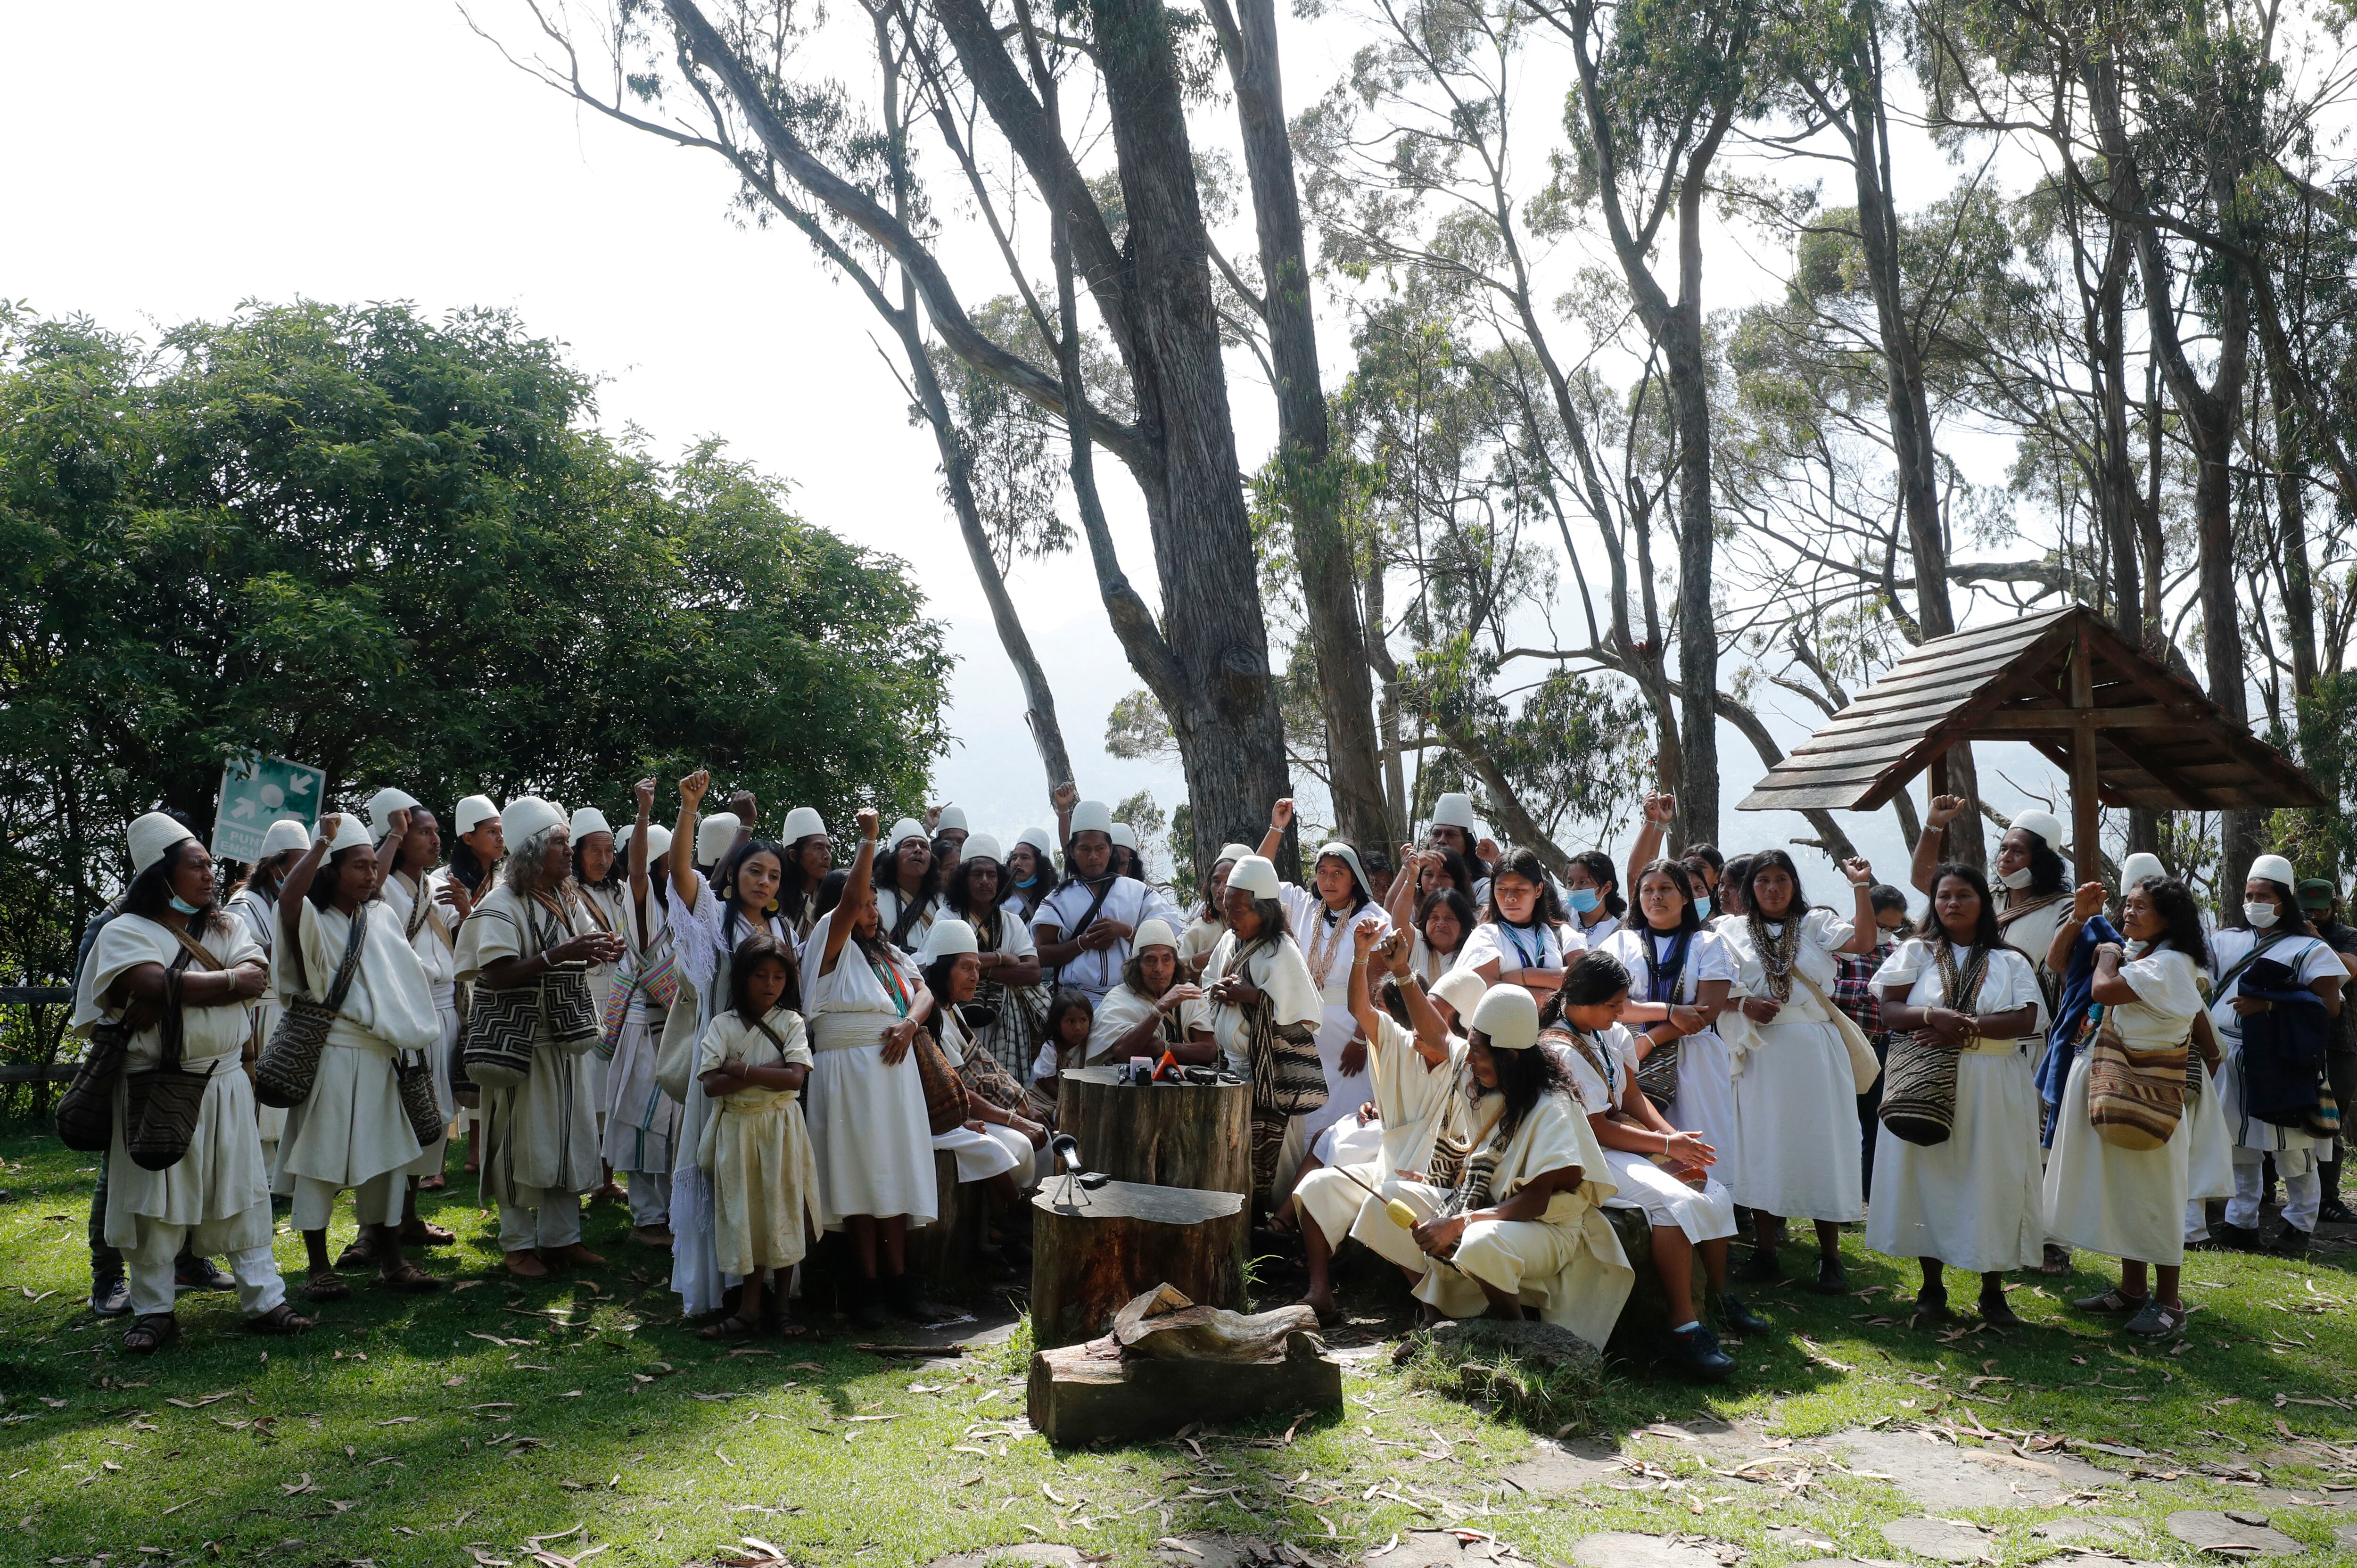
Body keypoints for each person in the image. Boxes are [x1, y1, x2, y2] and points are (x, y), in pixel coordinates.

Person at [74, 812, 310, 1352]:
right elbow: (145, 978)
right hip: (152, 1084)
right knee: (152, 1198)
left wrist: (185, 986)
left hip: (225, 1080)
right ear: (161, 874)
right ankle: (154, 1309)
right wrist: (220, 982)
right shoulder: (124, 930)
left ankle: (265, 1298)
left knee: (242, 1193)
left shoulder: (229, 923)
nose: (210, 874)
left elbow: (256, 975)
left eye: (209, 863)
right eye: (196, 865)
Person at [1355, 987, 1632, 1341]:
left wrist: (1458, 1223)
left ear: (1511, 1056)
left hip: (1548, 1228)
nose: (1468, 1059)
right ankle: (1437, 1321)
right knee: (1387, 1200)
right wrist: (1405, 975)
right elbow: (1439, 1034)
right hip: (1483, 1209)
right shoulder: (1485, 1075)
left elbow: (1536, 1202)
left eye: (1476, 1050)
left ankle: (1515, 1335)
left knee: (1480, 1240)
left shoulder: (1553, 1107)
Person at [1545, 950, 1755, 1379]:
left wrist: (1675, 1144)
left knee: (1709, 1188)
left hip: (1617, 1142)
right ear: (1582, 999)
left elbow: (1631, 1096)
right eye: (1613, 1005)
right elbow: (1597, 1127)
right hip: (1583, 1154)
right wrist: (1665, 1144)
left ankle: (1717, 1297)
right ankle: (1683, 1327)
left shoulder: (1606, 1032)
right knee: (1672, 1202)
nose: (1621, 1013)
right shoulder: (1557, 1048)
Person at [1866, 864, 2048, 1327]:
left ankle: (1992, 1290)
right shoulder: (1916, 951)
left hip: (1994, 1079)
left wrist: (1960, 1029)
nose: (1952, 903)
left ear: (1981, 902)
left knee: (1992, 1176)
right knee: (1929, 1174)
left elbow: (2027, 1019)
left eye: (1963, 895)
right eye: (1943, 895)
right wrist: (1932, 1014)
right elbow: (1889, 1009)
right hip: (1925, 1079)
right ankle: (1931, 1287)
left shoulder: (2010, 960)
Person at [272, 811, 445, 1299]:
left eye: (374, 866)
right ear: (331, 870)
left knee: (389, 1163)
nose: (372, 875)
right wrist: (322, 842)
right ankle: (318, 1267)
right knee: (320, 1162)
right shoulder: (313, 919)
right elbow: (290, 899)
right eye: (360, 866)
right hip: (332, 1055)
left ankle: (392, 1261)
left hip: (382, 1056)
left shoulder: (381, 915)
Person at [456, 796, 624, 1279]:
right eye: (559, 843)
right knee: (516, 1143)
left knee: (568, 1140)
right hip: (520, 1045)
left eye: (568, 842)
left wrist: (599, 948)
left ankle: (561, 1238)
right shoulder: (499, 905)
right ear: (532, 850)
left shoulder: (568, 898)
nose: (568, 852)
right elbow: (496, 971)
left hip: (567, 1038)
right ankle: (516, 1243)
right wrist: (563, 953)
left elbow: (583, 949)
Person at [803, 807, 954, 1325]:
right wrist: (870, 841)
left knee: (892, 1177)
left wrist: (910, 1024)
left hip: (894, 1072)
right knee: (858, 1180)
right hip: (846, 1072)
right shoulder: (828, 945)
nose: (869, 911)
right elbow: (846, 901)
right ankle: (865, 1288)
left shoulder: (887, 954)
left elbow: (924, 991)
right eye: (862, 903)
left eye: (873, 904)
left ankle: (901, 1282)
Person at [2043, 872, 2209, 1336]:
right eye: (2127, 905)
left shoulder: (2170, 962)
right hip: (2124, 1083)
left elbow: (2104, 990)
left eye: (2139, 907)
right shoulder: (2150, 955)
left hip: (2152, 1090)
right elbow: (2058, 964)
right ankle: (2133, 1288)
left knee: (2156, 1194)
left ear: (2168, 918)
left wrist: (2110, 955)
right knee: (2127, 1189)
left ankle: (2168, 1301)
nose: (2127, 913)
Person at [1717, 848, 1882, 1293]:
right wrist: (1743, 1003)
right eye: (1763, 881)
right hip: (1761, 1054)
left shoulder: (1815, 925)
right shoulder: (1727, 932)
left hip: (1815, 1049)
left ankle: (1831, 1260)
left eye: (1782, 880)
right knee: (1765, 1147)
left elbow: (1865, 942)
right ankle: (1767, 1254)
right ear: (1750, 888)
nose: (1773, 889)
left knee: (1821, 1145)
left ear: (1795, 885)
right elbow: (1708, 985)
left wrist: (1860, 886)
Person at [1286, 922, 1464, 1323]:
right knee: (1315, 1185)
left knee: (1391, 1200)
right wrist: (1361, 955)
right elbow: (1359, 1011)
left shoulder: (1464, 1059)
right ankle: (1320, 1292)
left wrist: (1402, 971)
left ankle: (1432, 1313)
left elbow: (1438, 1038)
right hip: (1387, 1164)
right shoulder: (1399, 1043)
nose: (1422, 1031)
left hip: (1440, 1177)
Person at [664, 775, 794, 1312]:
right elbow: (678, 873)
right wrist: (688, 810)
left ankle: (761, 1287)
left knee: (763, 1172)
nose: (763, 882)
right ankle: (714, 1289)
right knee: (717, 1162)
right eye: (754, 871)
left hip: (768, 1062)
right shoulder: (714, 922)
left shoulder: (783, 930)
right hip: (719, 1056)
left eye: (772, 875)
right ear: (735, 874)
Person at [1253, 801, 1393, 1205]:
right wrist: (1277, 828)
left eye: (1339, 873)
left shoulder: (1374, 918)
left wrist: (1361, 1038)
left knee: (1343, 1120)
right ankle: (1289, 1205)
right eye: (1323, 872)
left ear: (1355, 880)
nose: (1329, 880)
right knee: (1303, 1118)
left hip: (1349, 1036)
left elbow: (1380, 983)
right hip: (1305, 1031)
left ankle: (1331, 1204)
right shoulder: (1305, 907)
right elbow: (1257, 876)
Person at [2205, 854, 2346, 1255]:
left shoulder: (2307, 948)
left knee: (2293, 1147)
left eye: (2264, 895)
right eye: (2250, 894)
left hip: (2281, 1058)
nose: (2255, 902)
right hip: (2229, 1053)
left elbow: (2328, 1005)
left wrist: (2269, 1005)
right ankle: (2240, 1223)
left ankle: (2299, 1226)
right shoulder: (2224, 940)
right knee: (2239, 1145)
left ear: (2283, 900)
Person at [692, 930, 821, 1341]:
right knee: (746, 1212)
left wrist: (741, 1070)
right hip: (738, 1130)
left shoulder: (791, 1022)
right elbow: (710, 1085)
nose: (770, 985)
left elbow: (796, 1078)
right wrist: (772, 1073)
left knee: (782, 1208)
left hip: (781, 1128)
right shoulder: (723, 1025)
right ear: (743, 977)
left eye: (779, 978)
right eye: (761, 975)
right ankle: (750, 1309)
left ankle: (782, 1306)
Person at [1601, 859, 1740, 1194]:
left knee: (1700, 1135)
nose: (1656, 897)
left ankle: (1713, 1217)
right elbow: (1610, 1005)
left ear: (1686, 898)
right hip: (1627, 1051)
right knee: (1643, 1139)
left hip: (1693, 1058)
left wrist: (1651, 1038)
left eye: (1666, 889)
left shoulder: (1708, 944)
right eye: (1647, 890)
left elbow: (1706, 1012)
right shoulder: (1620, 943)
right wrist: (1672, 1010)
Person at [1193, 854, 1327, 1196]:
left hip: (1271, 1080)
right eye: (1227, 908)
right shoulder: (1228, 940)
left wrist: (1254, 997)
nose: (1230, 917)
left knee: (1278, 1162)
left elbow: (1303, 1015)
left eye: (1239, 911)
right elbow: (1208, 983)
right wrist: (1219, 991)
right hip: (1233, 1071)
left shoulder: (1282, 951)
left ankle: (1276, 1230)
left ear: (1263, 911)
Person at [918, 919, 1048, 1251]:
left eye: (978, 967)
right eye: (966, 968)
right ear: (944, 969)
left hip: (962, 1110)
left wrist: (1020, 1110)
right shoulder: (932, 1013)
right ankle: (1011, 1224)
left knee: (1042, 1141)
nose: (976, 976)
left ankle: (1002, 1232)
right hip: (941, 1115)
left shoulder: (951, 1010)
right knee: (1015, 1144)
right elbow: (955, 1089)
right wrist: (1014, 1119)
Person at [370, 796, 465, 1234]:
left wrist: (465, 909)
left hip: (443, 1013)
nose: (435, 838)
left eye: (435, 831)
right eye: (423, 832)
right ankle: (374, 1227)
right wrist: (393, 832)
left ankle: (408, 1218)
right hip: (405, 1015)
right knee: (399, 1118)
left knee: (433, 1115)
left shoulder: (433, 885)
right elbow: (371, 884)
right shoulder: (383, 885)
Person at [606, 783, 680, 1248]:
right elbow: (634, 871)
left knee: (671, 1129)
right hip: (643, 1027)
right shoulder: (644, 904)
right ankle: (646, 1216)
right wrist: (643, 811)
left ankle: (672, 1213)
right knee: (642, 1125)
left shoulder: (681, 906)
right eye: (671, 859)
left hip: (673, 1025)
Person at [1032, 796, 1183, 1004]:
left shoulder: (1138, 892)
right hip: (1078, 1004)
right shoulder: (1058, 900)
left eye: (1100, 848)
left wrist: (1125, 931)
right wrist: (1083, 943)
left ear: (1110, 850)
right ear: (1072, 852)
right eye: (1085, 849)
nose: (1093, 856)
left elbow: (1167, 939)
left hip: (1133, 998)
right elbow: (1042, 954)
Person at [227, 817, 312, 1181]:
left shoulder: (290, 901)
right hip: (261, 1010)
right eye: (298, 865)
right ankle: (260, 1175)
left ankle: (280, 1174)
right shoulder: (244, 905)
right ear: (275, 867)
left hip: (286, 1007)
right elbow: (251, 958)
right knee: (260, 1096)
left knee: (282, 1096)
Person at [941, 834, 1048, 1080]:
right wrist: (1002, 958)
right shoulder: (947, 918)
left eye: (992, 875)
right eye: (977, 875)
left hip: (1005, 1022)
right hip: (957, 1021)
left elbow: (1034, 972)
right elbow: (943, 962)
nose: (985, 882)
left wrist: (977, 967)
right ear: (963, 880)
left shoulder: (1011, 922)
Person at [1836, 885, 1910, 1199]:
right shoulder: (1840, 944)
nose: (1887, 933)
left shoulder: (1897, 953)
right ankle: (1838, 1193)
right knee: (1839, 1124)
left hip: (1882, 1047)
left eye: (1894, 928)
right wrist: (1873, 991)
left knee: (1875, 1125)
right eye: (1881, 926)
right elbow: (1828, 989)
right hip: (1844, 1045)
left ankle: (1868, 1195)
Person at [2296, 877, 2357, 1224]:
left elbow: (2349, 969)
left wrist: (2316, 941)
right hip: (2296, 1038)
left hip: (2340, 1043)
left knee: (2331, 1120)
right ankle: (2267, 1189)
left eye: (2321, 909)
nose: (2315, 915)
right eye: (2308, 909)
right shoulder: (2287, 935)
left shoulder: (2348, 936)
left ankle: (2328, 1198)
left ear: (2335, 907)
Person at [1458, 847, 1582, 1002]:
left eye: (1520, 889)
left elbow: (1583, 980)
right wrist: (1558, 993)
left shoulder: (1562, 934)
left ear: (1538, 890)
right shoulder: (1486, 935)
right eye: (1502, 889)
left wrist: (1522, 977)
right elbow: (1488, 990)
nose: (1510, 898)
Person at [1083, 918, 1208, 1068]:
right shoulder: (1119, 999)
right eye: (1150, 960)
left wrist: (1161, 1048)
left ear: (1176, 964)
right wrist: (1160, 1008)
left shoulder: (1188, 994)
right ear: (1137, 966)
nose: (1159, 968)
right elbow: (1124, 1052)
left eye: (1167, 960)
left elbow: (1208, 1050)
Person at [1180, 844, 1253, 980]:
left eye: (1229, 881)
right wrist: (1195, 964)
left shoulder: (1262, 930)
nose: (1220, 889)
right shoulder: (1200, 929)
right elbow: (1174, 980)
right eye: (1216, 881)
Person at [874, 817, 942, 957]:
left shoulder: (942, 902)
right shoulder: (876, 899)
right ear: (894, 857)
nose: (918, 850)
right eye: (909, 845)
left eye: (924, 846)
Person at [1427, 792, 1496, 907]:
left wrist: (1496, 860)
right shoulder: (1416, 883)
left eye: (1451, 835)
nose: (1442, 841)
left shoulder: (1482, 887)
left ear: (1467, 842)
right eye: (1436, 834)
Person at [777, 807, 833, 941]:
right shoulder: (776, 898)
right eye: (818, 848)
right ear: (794, 856)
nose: (827, 856)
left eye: (828, 849)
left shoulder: (831, 898)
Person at [1562, 851, 1625, 948]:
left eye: (1583, 882)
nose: (1574, 888)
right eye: (1570, 883)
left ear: (1606, 888)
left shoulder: (1617, 933)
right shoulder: (1560, 913)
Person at [1002, 828, 1057, 924]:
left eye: (1025, 858)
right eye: (1014, 858)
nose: (1017, 863)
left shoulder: (1054, 900)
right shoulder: (1002, 899)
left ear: (1040, 864)